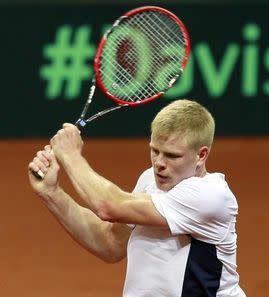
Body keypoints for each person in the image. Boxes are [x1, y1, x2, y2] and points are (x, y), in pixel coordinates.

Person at [27, 99, 246, 297]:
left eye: (171, 155)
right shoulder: (149, 179)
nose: (159, 163)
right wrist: (52, 193)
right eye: (155, 150)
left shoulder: (209, 195)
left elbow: (108, 206)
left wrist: (71, 155)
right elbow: (110, 243)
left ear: (201, 155)